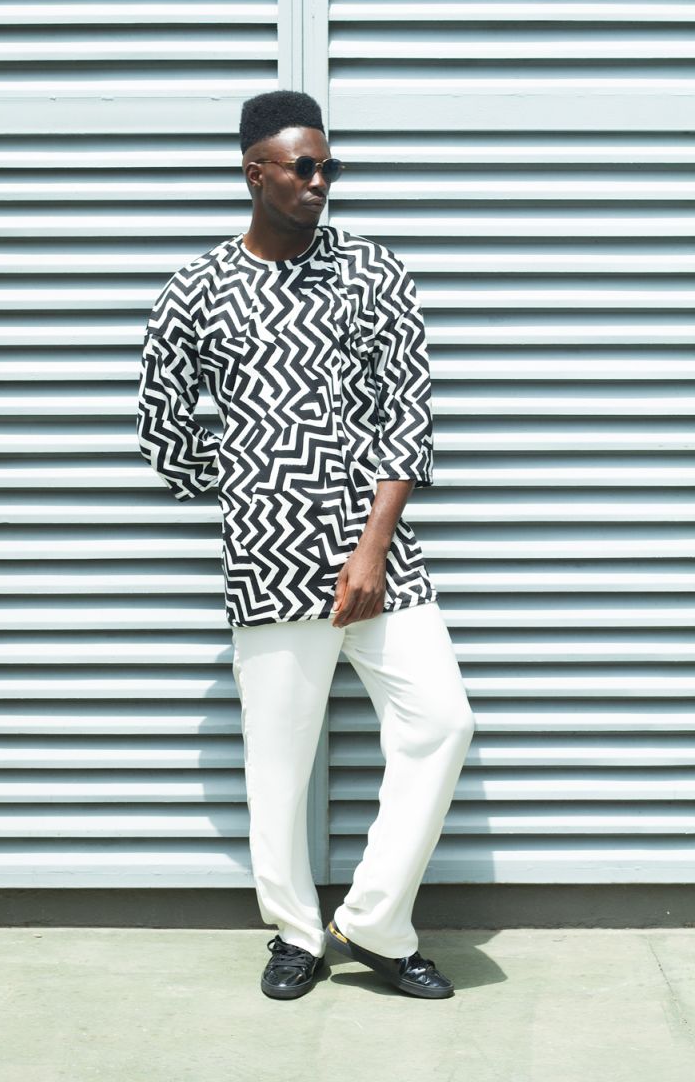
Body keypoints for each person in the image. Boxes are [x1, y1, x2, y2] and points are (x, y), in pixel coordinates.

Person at [136, 89, 475, 1001]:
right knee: (279, 768)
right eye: (305, 166)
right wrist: (252, 484)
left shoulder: (371, 271)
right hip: (267, 556)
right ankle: (294, 934)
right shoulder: (196, 289)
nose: (322, 181)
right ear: (257, 173)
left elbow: (409, 414)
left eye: (331, 167)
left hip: (379, 555)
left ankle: (375, 922)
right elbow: (162, 428)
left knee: (442, 722)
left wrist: (371, 549)